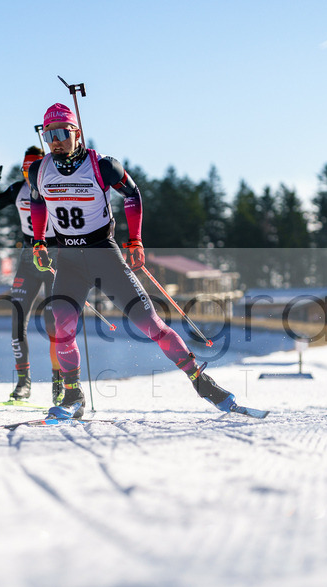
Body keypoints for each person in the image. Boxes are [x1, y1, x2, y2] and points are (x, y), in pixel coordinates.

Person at [28, 103, 240, 418]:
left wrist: (135, 239)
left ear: (77, 133)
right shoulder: (39, 169)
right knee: (62, 326)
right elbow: (37, 201)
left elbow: (132, 194)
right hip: (68, 260)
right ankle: (73, 396)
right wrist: (39, 240)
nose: (55, 141)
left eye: (61, 133)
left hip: (104, 255)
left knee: (150, 324)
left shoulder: (103, 166)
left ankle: (201, 379)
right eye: (49, 135)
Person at [0, 146, 63, 403]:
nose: (29, 175)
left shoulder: (55, 185)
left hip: (54, 256)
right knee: (17, 320)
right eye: (25, 170)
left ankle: (59, 383)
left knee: (54, 324)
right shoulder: (18, 190)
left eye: (33, 169)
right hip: (28, 258)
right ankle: (23, 383)